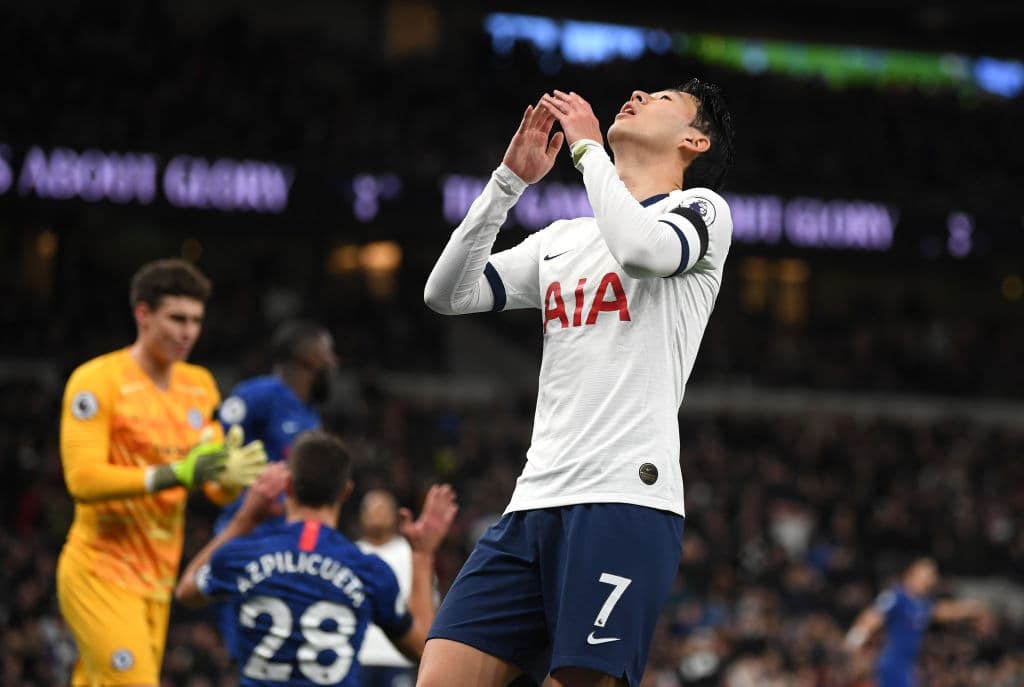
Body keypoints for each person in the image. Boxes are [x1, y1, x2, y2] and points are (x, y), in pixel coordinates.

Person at [420, 80, 735, 687]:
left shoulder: (700, 210)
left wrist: (589, 150)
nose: (638, 93)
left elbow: (642, 253)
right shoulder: (563, 239)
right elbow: (447, 293)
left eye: (663, 99)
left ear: (694, 142)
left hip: (624, 499)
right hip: (532, 501)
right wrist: (507, 184)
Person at [56, 258, 267, 687]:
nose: (188, 332)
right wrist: (174, 474)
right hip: (100, 571)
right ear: (144, 314)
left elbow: (211, 486)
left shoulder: (199, 384)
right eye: (177, 319)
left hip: (157, 580)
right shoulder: (96, 381)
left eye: (196, 321)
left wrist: (229, 481)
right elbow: (82, 480)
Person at [175, 430, 459, 687]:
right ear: (346, 492)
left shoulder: (242, 555)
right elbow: (423, 648)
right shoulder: (367, 570)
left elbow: (186, 591)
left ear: (288, 486)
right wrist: (422, 555)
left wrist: (244, 519)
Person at [214, 319, 338, 531]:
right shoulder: (257, 395)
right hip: (249, 533)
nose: (334, 362)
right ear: (310, 357)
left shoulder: (310, 412)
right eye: (329, 352)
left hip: (288, 532)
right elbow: (215, 447)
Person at [845, 557, 990, 687]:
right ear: (911, 573)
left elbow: (943, 611)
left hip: (908, 667)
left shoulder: (921, 603)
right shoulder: (897, 596)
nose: (931, 578)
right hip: (893, 665)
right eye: (927, 574)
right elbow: (872, 616)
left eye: (933, 575)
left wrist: (972, 608)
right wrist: (853, 641)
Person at [356, 490, 421, 687]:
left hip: (399, 656)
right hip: (360, 656)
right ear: (361, 515)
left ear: (395, 515)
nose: (378, 514)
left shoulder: (411, 554)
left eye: (383, 509)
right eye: (372, 509)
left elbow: (424, 605)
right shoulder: (352, 554)